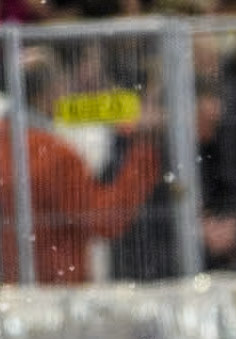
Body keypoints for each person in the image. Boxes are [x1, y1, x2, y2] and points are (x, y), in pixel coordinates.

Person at [0, 46, 161, 284]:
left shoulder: (10, 145)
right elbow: (105, 219)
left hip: (12, 286)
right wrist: (144, 153)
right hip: (56, 289)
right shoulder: (53, 156)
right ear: (51, 91)